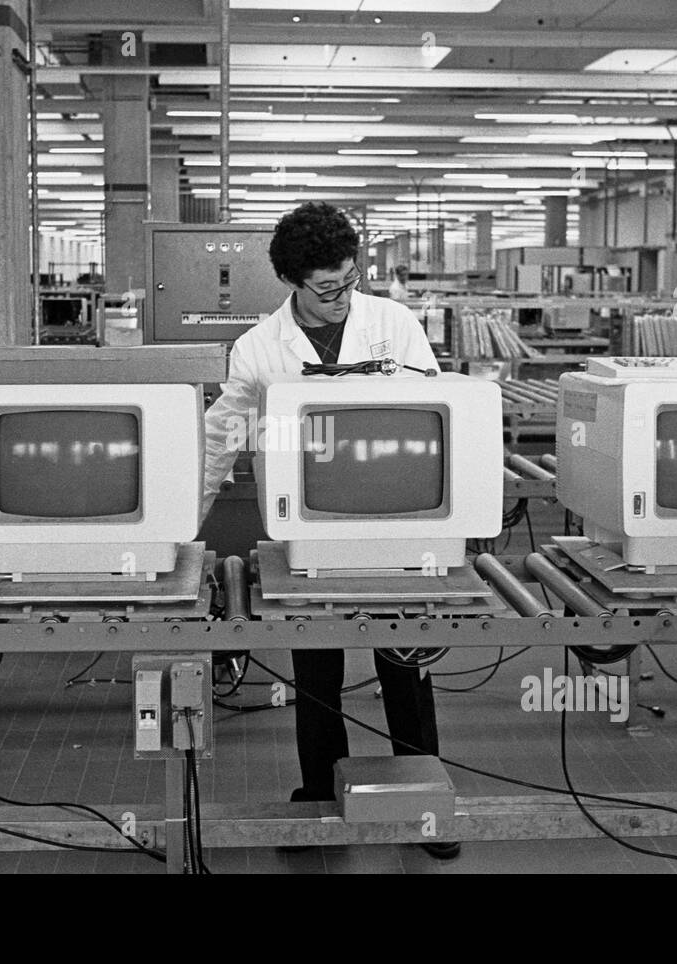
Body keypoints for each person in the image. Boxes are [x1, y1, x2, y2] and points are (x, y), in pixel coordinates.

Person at [201, 202, 459, 860]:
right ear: (293, 282)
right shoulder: (260, 348)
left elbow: (438, 414)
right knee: (316, 666)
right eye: (327, 286)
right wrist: (175, 527)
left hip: (398, 525)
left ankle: (424, 803)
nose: (343, 296)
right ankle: (319, 793)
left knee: (405, 664)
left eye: (350, 278)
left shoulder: (394, 325)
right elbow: (222, 437)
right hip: (308, 535)